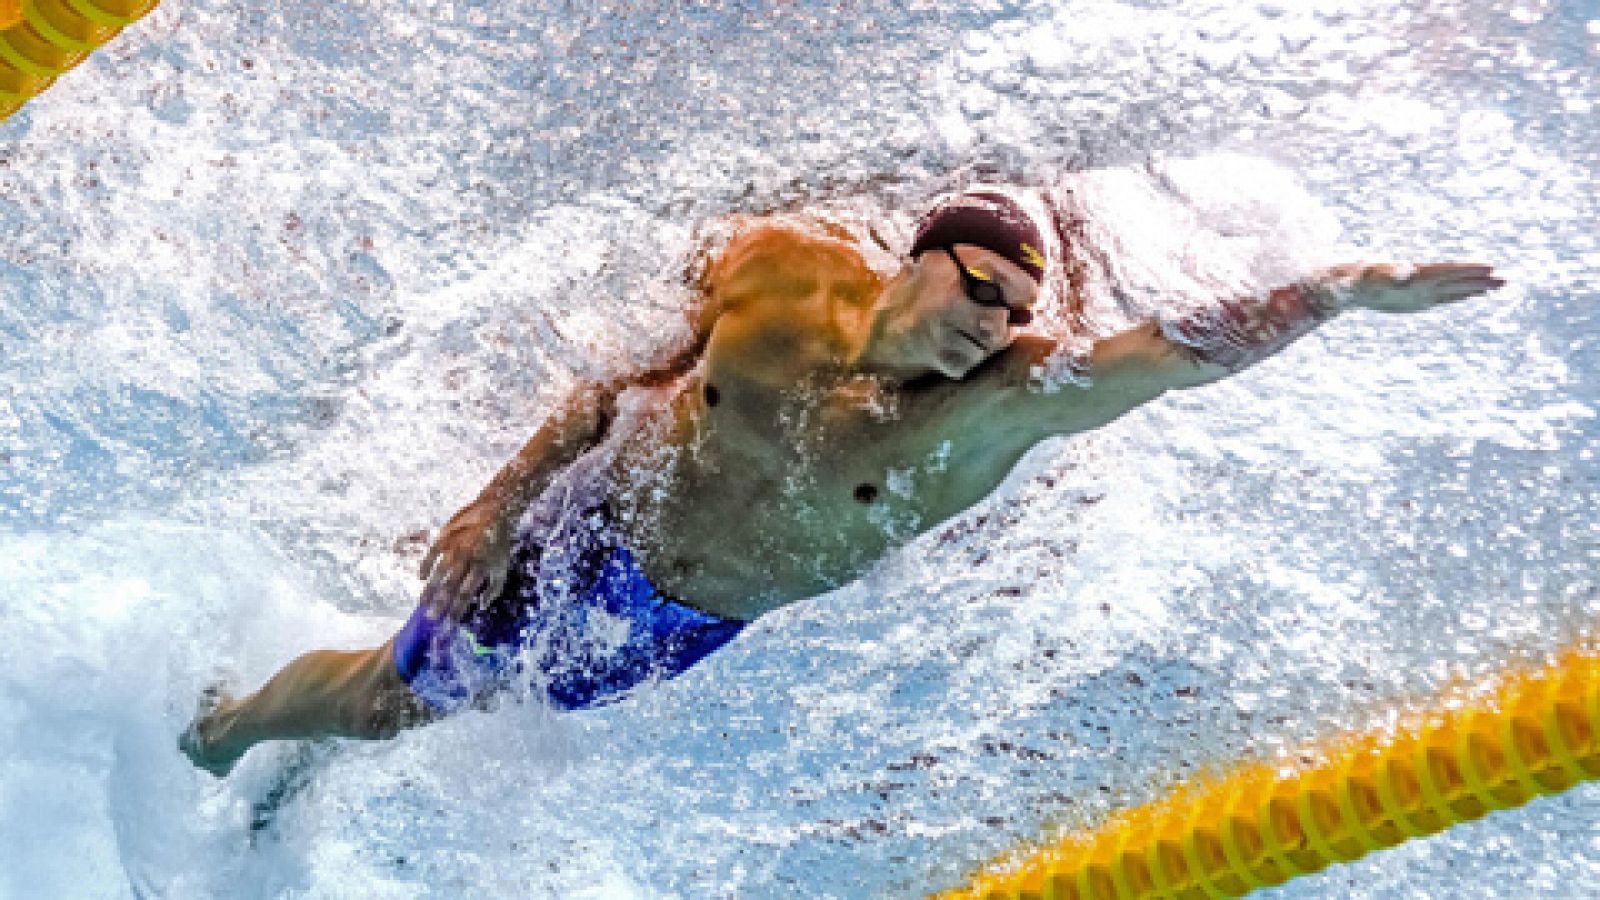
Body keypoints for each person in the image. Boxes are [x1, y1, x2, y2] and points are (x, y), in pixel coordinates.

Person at [179, 189, 1503, 776]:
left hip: (671, 625)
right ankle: (220, 729)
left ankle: (314, 726)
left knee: (416, 712)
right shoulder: (778, 277)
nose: (994, 322)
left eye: (1016, 310)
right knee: (381, 707)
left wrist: (1334, 297)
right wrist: (493, 504)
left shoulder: (989, 413)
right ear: (918, 256)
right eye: (982, 285)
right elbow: (611, 390)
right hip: (589, 518)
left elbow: (1165, 356)